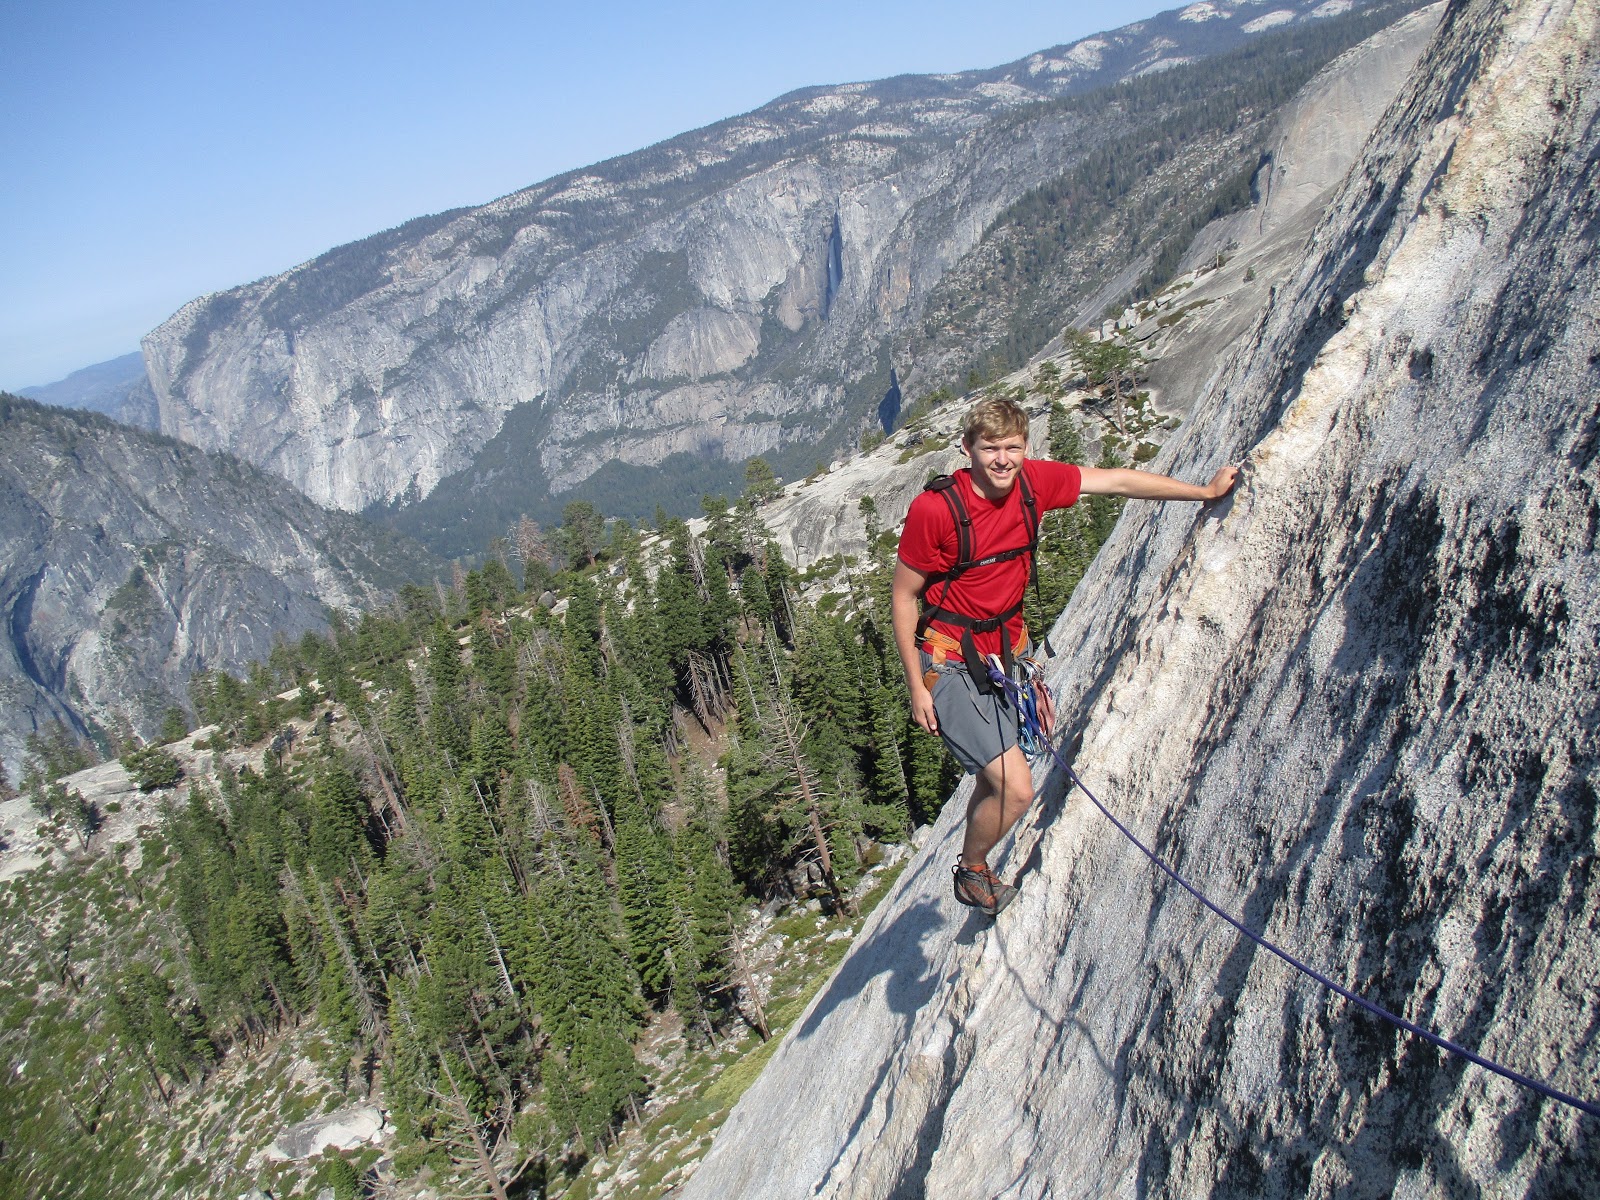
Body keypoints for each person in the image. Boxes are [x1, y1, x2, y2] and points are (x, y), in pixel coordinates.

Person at [891, 396, 1238, 915]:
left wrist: (1203, 493)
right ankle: (971, 870)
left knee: (999, 776)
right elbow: (903, 595)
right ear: (967, 449)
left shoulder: (1035, 483)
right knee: (1015, 788)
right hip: (950, 659)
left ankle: (975, 858)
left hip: (1006, 653)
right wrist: (916, 685)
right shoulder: (937, 509)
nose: (1003, 459)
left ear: (1026, 447)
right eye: (990, 448)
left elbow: (1118, 481)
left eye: (1013, 447)